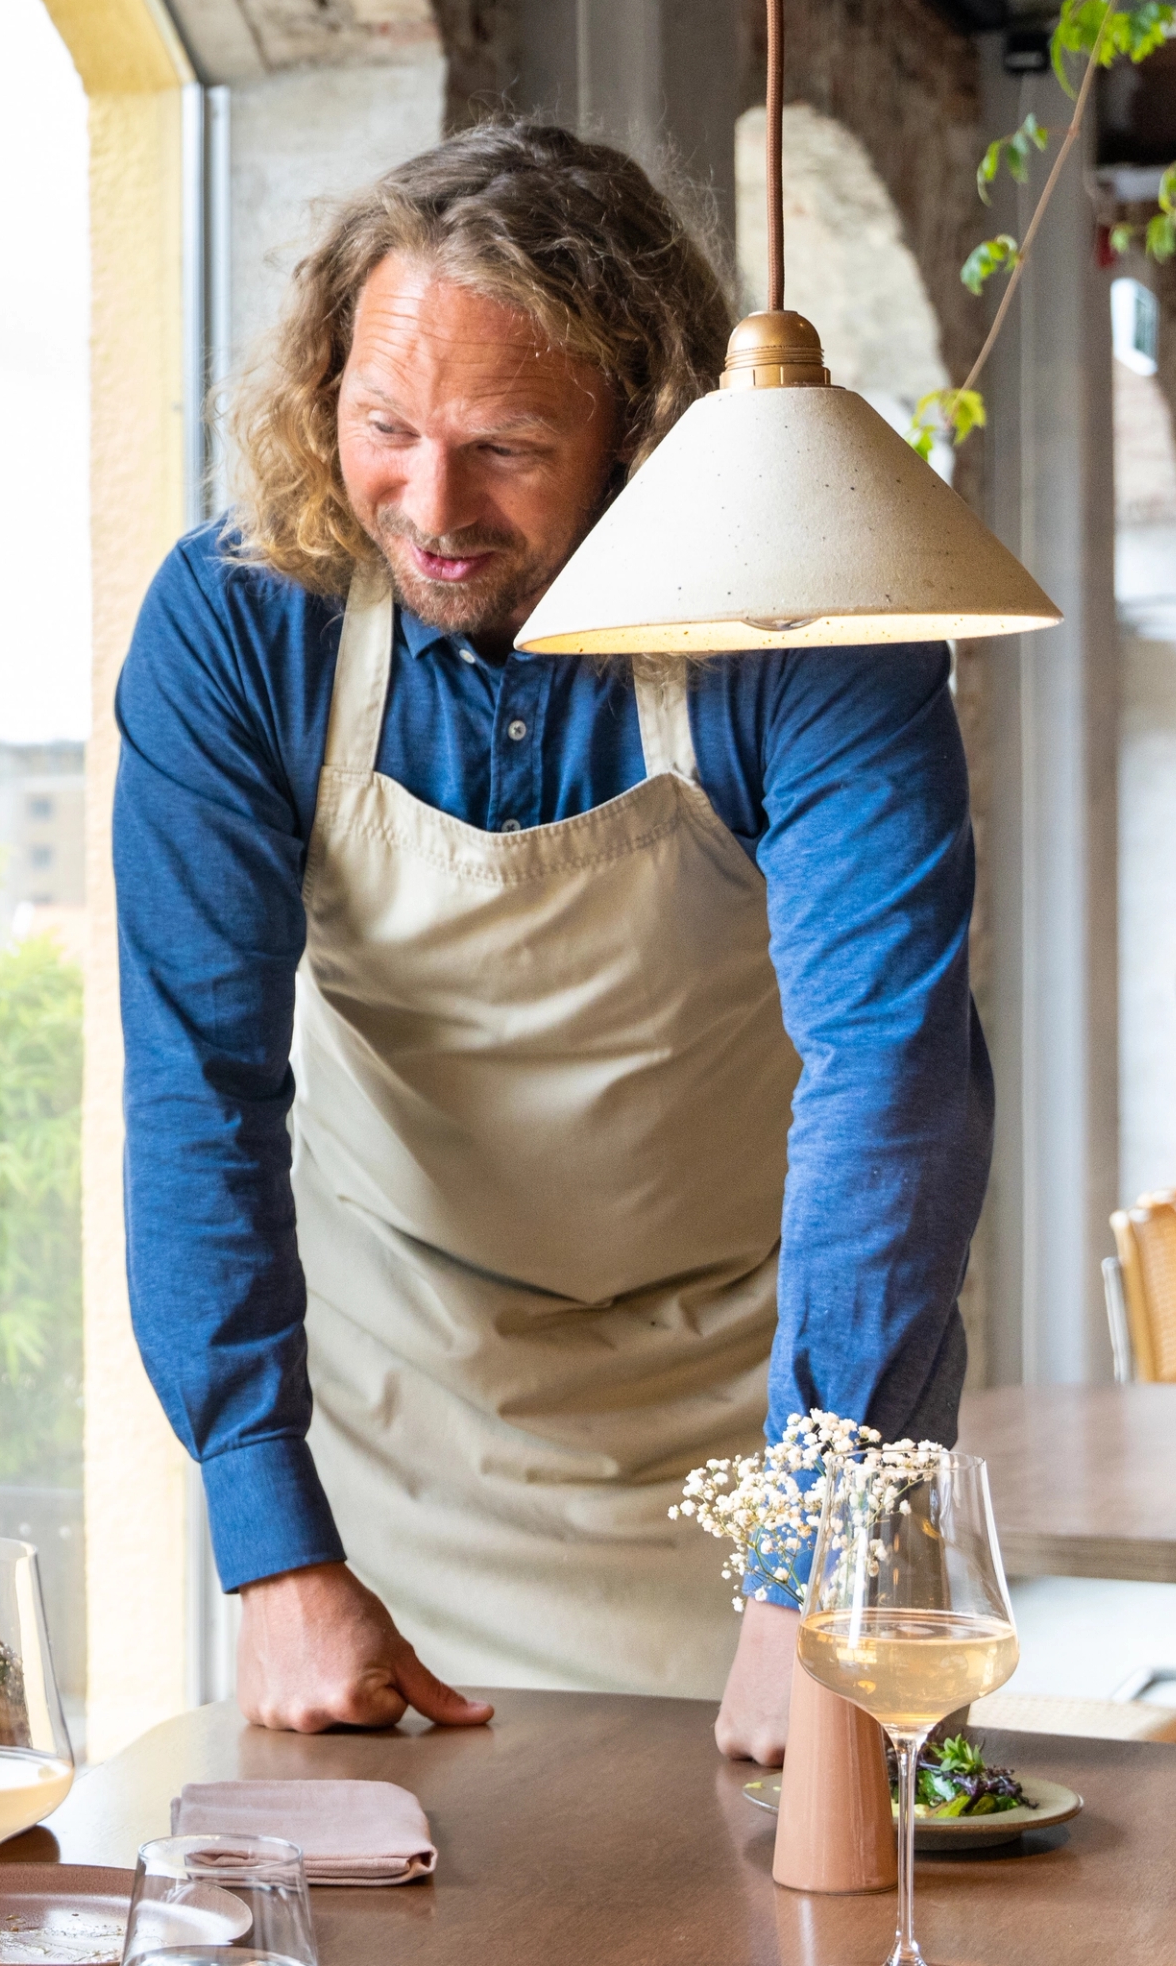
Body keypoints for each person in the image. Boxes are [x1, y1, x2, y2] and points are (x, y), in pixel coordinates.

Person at [114, 122, 990, 1759]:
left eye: (506, 446)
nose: (427, 508)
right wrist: (272, 1541)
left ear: (638, 428)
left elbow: (895, 1077)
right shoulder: (242, 627)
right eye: (384, 428)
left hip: (785, 1383)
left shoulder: (805, 621)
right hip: (415, 1411)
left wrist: (810, 1548)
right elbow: (198, 1083)